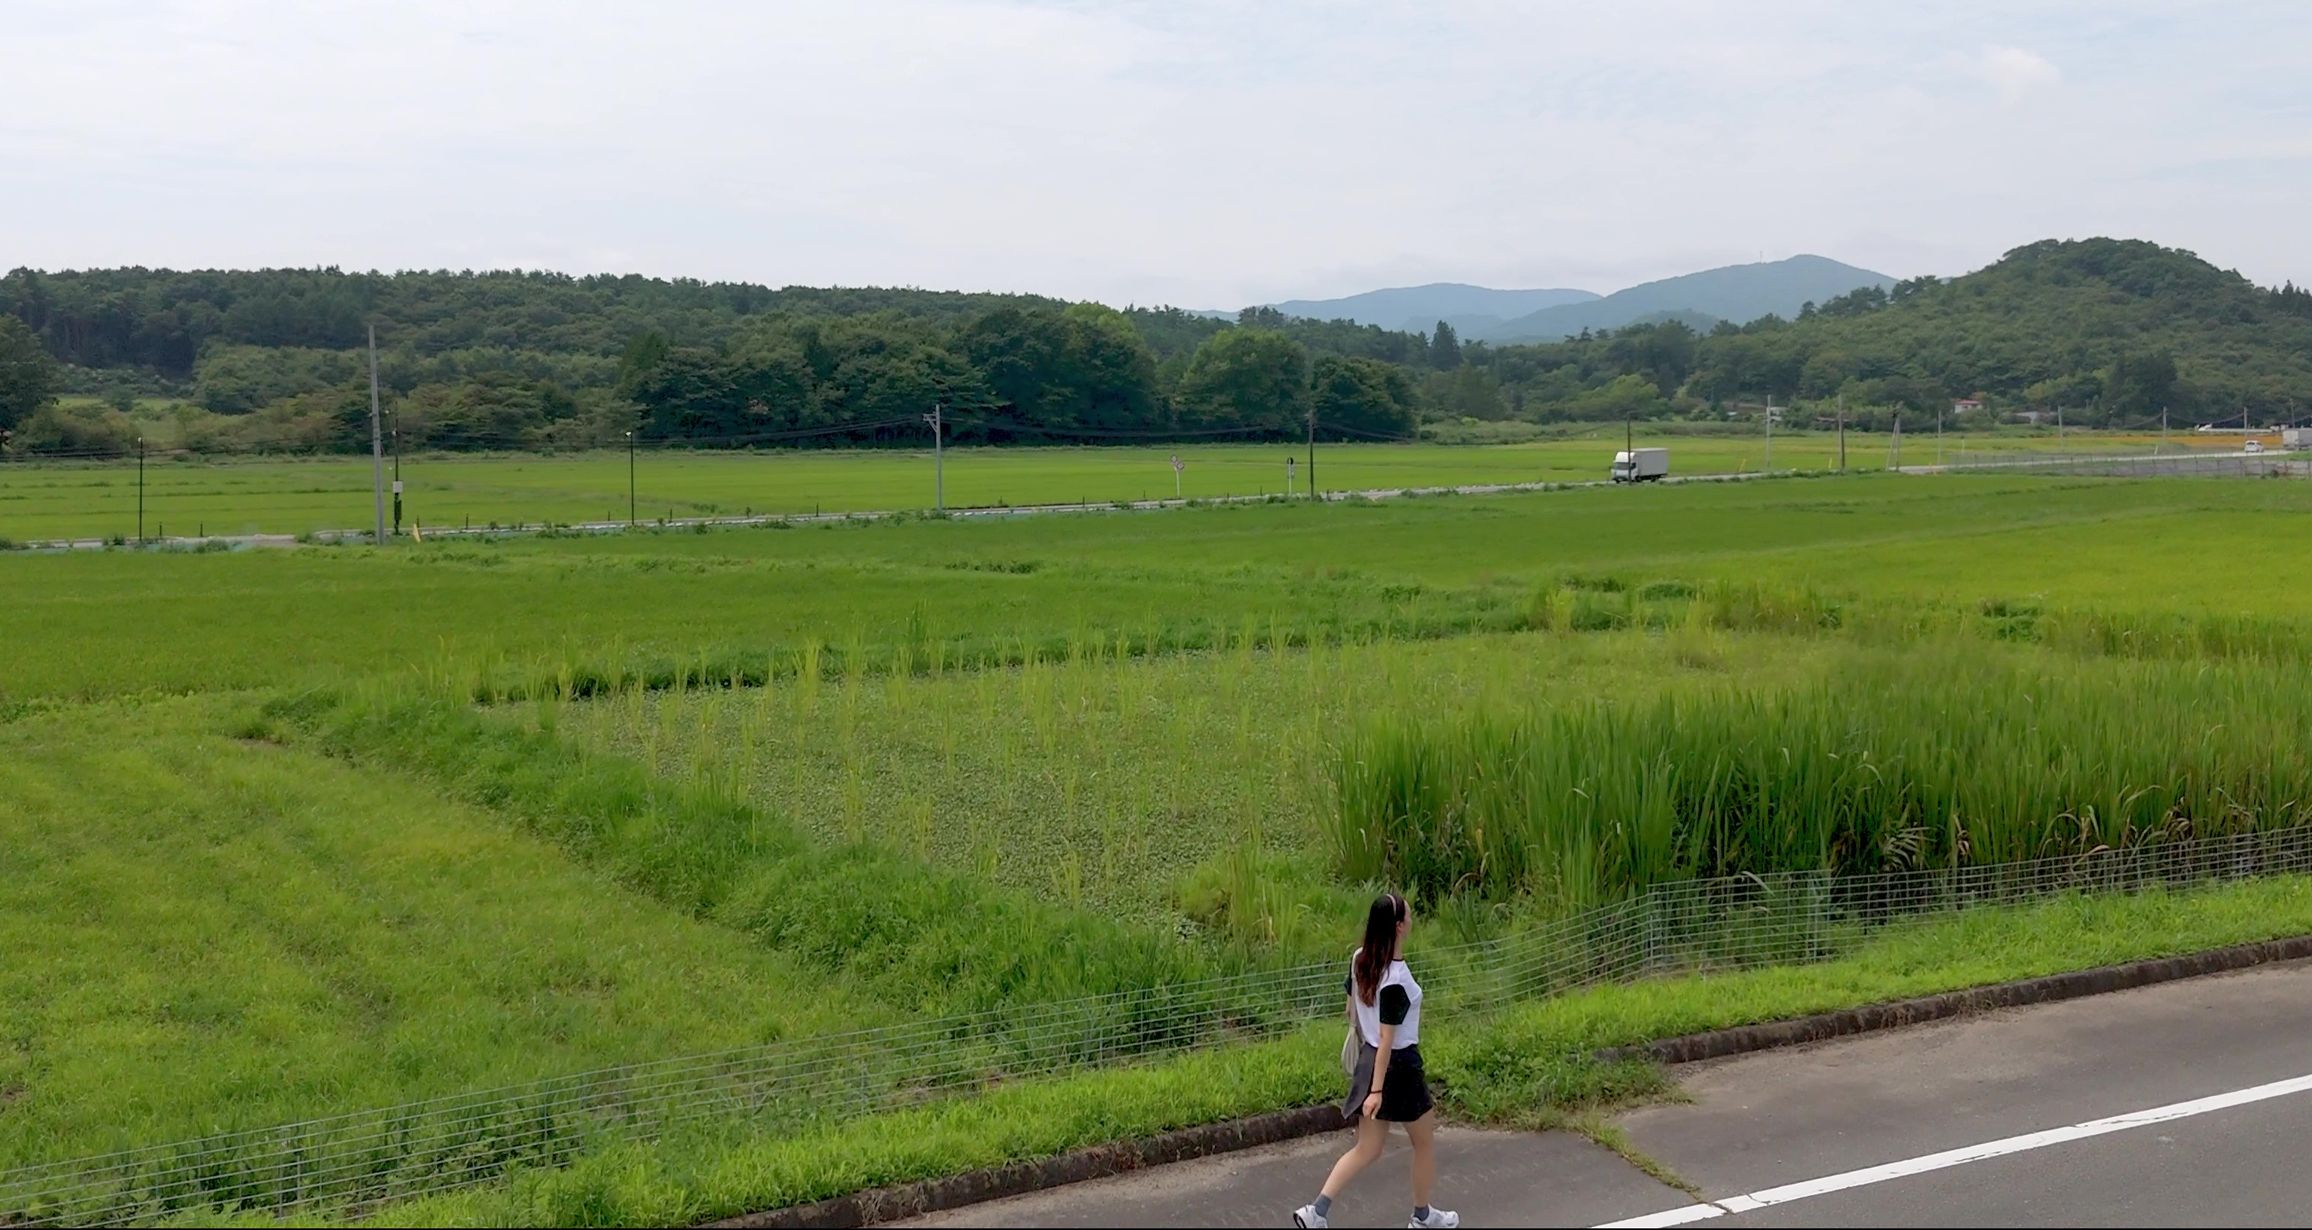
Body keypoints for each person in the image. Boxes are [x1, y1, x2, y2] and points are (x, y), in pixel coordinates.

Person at [1293, 892, 1458, 1229]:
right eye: (1409, 915)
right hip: (1398, 1067)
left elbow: (1351, 1008)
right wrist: (1377, 1092)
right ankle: (1423, 1216)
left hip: (1369, 1061)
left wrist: (1372, 1084)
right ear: (1399, 927)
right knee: (1424, 1142)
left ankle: (1317, 1212)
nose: (1412, 919)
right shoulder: (1396, 978)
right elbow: (1389, 1039)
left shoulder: (1359, 960)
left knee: (1367, 1148)